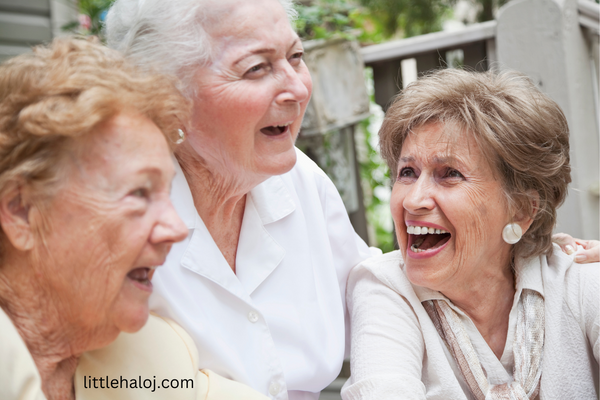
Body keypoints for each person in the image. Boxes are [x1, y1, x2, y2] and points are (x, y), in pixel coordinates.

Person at [104, 0, 376, 398]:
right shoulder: (116, 216)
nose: (298, 88)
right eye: (257, 68)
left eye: (295, 57)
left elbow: (371, 294)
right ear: (168, 96)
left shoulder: (299, 179)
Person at [0, 37, 268, 400]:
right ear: (21, 211)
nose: (175, 229)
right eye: (139, 193)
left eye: (167, 195)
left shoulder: (154, 357)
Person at [341, 68, 599, 399]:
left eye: (449, 174)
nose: (414, 200)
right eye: (407, 172)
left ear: (520, 209)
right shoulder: (386, 287)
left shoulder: (578, 281)